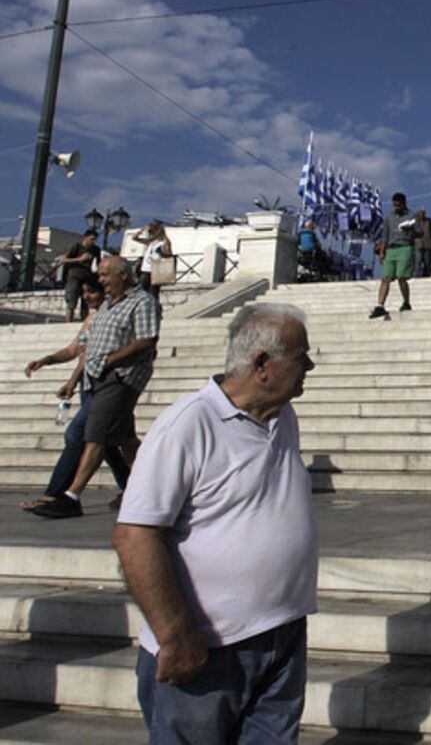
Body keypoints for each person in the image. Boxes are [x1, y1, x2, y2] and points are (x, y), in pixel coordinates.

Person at [112, 303, 318, 744]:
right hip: (208, 647)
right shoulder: (188, 425)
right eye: (301, 357)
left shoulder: (282, 417)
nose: (310, 366)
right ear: (262, 364)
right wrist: (176, 634)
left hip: (281, 633)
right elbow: (135, 536)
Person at [30, 256, 159, 519]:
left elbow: (147, 341)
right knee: (124, 439)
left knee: (94, 436)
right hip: (96, 379)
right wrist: (55, 364)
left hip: (120, 377)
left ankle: (70, 496)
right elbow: (83, 349)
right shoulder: (108, 307)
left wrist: (111, 362)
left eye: (104, 275)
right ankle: (149, 490)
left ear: (123, 275)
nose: (100, 280)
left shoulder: (143, 302)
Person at [21, 279, 131, 511]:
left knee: (76, 435)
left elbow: (91, 355)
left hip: (105, 386)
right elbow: (74, 350)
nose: (88, 297)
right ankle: (131, 489)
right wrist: (47, 360)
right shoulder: (91, 320)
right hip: (89, 386)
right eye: (85, 292)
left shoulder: (110, 319)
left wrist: (71, 381)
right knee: (107, 442)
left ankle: (56, 493)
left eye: (91, 291)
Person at [370, 192, 417, 319]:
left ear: (404, 204)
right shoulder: (389, 217)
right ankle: (380, 305)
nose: (396, 207)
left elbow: (420, 232)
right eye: (395, 205)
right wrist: (382, 251)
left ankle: (406, 302)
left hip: (405, 247)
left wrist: (411, 230)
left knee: (401, 276)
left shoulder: (412, 216)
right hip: (391, 248)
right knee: (386, 278)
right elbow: (385, 235)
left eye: (399, 205)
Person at [56, 229, 100, 322]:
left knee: (86, 302)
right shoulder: (77, 247)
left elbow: (99, 263)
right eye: (91, 239)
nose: (93, 242)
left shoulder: (95, 249)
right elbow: (63, 260)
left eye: (95, 240)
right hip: (74, 276)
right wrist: (80, 259)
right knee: (71, 301)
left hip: (87, 278)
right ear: (86, 238)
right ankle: (68, 322)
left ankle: (84, 322)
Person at [132, 220, 172, 300]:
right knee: (141, 292)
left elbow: (169, 256)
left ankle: (154, 308)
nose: (151, 234)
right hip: (145, 269)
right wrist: (142, 230)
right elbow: (134, 238)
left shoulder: (164, 242)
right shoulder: (151, 242)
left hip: (156, 270)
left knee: (153, 292)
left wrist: (162, 253)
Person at [415, 208, 431, 277]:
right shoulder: (415, 223)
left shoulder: (429, 221)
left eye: (423, 213)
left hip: (428, 244)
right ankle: (417, 274)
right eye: (420, 213)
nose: (421, 215)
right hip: (418, 244)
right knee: (418, 260)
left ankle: (427, 273)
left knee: (427, 261)